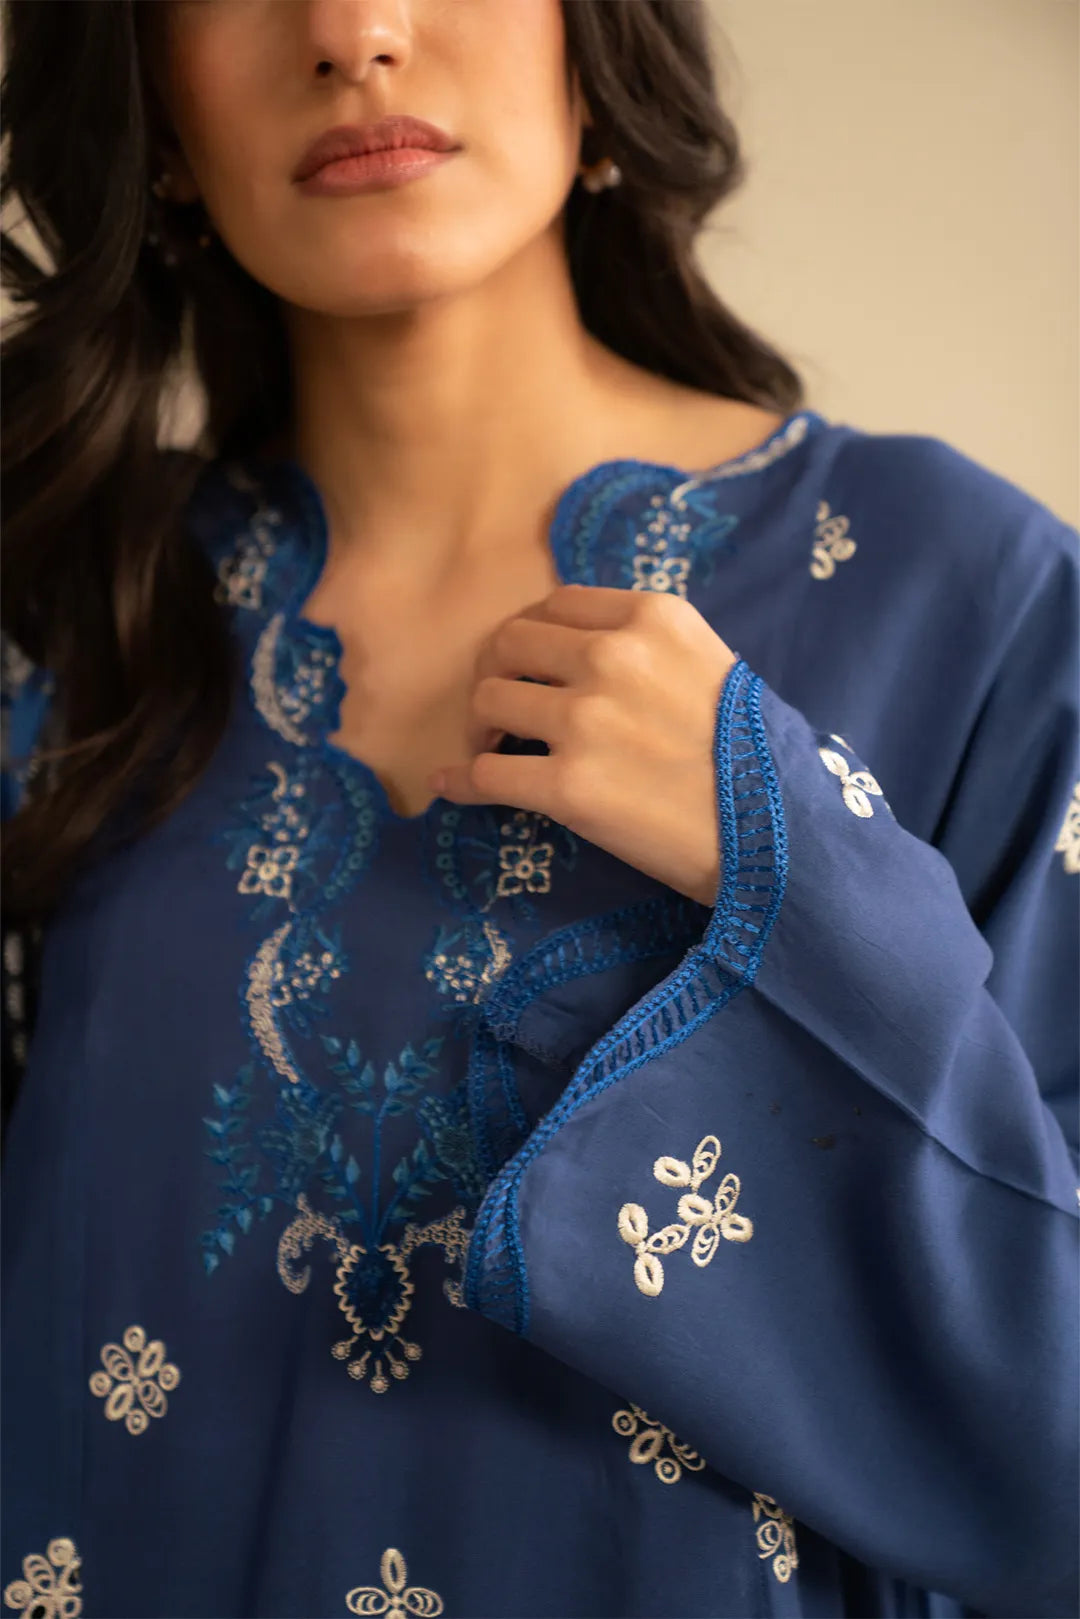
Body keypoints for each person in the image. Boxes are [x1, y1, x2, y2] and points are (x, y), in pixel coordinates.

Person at [1, 1, 1076, 1616]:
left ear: (600, 51)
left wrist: (794, 870)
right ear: (149, 96)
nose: (355, 30)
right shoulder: (60, 637)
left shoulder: (972, 600)